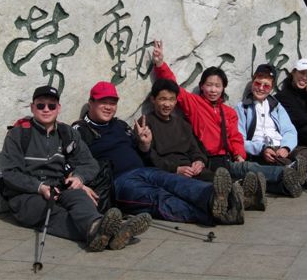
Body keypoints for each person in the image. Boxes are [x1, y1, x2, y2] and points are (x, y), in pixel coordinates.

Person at [73, 81, 249, 225]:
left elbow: (144, 153)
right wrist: (81, 183)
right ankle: (218, 214)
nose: (108, 107)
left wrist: (145, 144)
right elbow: (72, 162)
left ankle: (216, 197)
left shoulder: (120, 125)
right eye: (103, 102)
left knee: (176, 182)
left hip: (145, 171)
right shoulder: (80, 129)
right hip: (119, 182)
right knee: (160, 198)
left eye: (112, 103)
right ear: (91, 103)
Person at [0, 85, 150, 252]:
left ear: (58, 108)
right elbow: (9, 173)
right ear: (32, 107)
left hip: (59, 187)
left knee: (80, 197)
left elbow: (90, 163)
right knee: (51, 211)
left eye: (51, 106)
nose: (46, 109)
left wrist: (79, 178)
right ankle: (107, 231)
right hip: (27, 195)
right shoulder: (18, 134)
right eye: (41, 105)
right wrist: (40, 187)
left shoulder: (67, 133)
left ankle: (98, 228)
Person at [152, 40, 307, 198]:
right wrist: (160, 64)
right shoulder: (194, 104)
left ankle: (285, 184)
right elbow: (173, 88)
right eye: (209, 85)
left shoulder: (228, 112)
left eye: (217, 86)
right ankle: (286, 174)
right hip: (208, 159)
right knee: (245, 173)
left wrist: (239, 154)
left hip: (227, 158)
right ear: (202, 86)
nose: (213, 90)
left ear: (223, 88)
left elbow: (235, 137)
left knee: (246, 172)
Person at [236, 63, 307, 190]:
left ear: (271, 88)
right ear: (253, 82)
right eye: (257, 84)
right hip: (262, 149)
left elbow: (289, 130)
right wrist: (262, 149)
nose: (261, 88)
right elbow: (239, 139)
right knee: (285, 163)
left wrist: (286, 147)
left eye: (266, 86)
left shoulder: (276, 106)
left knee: (305, 152)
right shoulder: (242, 108)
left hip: (280, 144)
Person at [144, 78, 215, 182]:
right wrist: (176, 169)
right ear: (153, 99)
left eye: (171, 99)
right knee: (199, 187)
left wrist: (199, 161)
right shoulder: (146, 123)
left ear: (176, 101)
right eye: (162, 99)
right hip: (167, 173)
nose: (167, 104)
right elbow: (149, 156)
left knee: (216, 179)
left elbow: (195, 149)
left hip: (191, 169)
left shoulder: (183, 124)